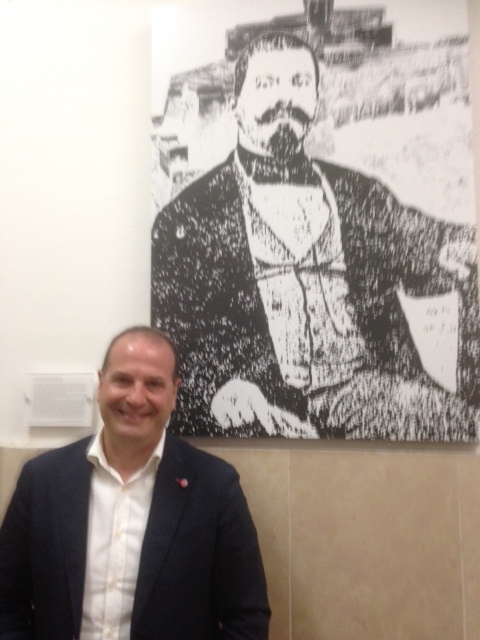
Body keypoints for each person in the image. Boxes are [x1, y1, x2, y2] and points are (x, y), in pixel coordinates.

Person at [151, 31, 479, 441]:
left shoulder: (358, 193)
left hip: (369, 393)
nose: (284, 98)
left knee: (463, 426)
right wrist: (217, 389)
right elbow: (169, 340)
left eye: (299, 83)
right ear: (235, 104)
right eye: (266, 84)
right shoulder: (186, 217)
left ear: (316, 100)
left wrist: (452, 246)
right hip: (261, 404)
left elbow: (424, 240)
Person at [0, 326, 270, 639]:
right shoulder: (42, 480)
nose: (135, 398)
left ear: (174, 393)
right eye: (123, 380)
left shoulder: (215, 487)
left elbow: (247, 617)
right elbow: (5, 599)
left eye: (153, 384)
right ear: (101, 384)